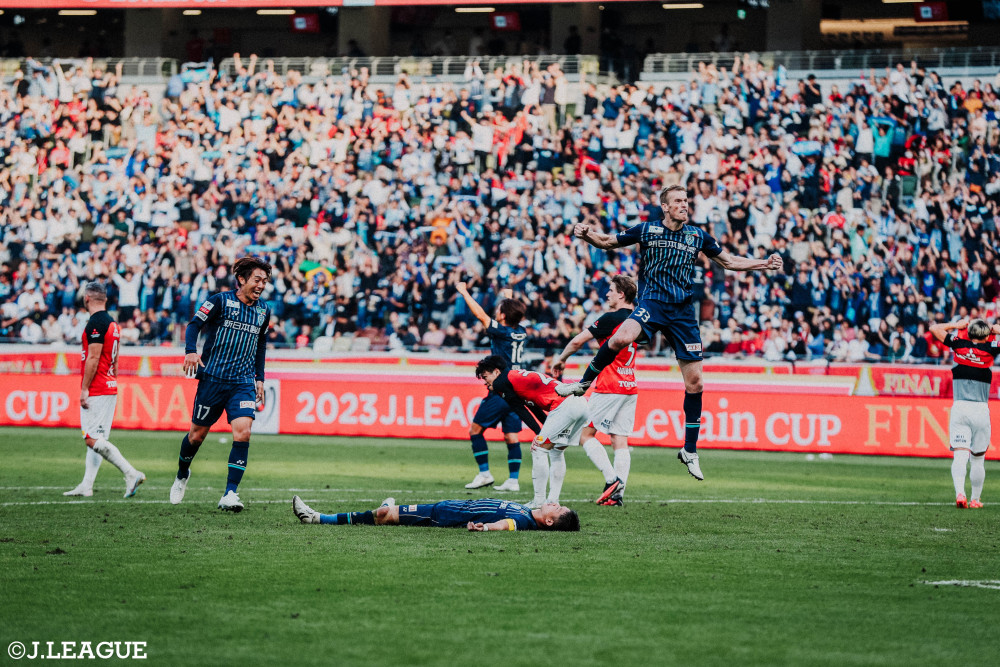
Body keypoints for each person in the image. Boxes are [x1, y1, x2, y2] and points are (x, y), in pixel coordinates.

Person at [559, 184, 783, 481]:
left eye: (686, 200)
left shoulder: (697, 236)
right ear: (664, 206)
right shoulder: (647, 230)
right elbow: (608, 242)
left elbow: (729, 261)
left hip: (682, 313)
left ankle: (689, 451)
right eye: (678, 201)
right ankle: (582, 384)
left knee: (696, 383)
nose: (684, 205)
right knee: (620, 337)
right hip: (653, 303)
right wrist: (587, 234)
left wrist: (763, 263)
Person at [170, 257, 272, 512]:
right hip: (213, 379)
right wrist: (190, 351)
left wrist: (259, 377)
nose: (261, 285)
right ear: (242, 279)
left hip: (242, 382)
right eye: (257, 280)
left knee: (243, 432)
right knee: (196, 436)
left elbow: (260, 344)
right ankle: (182, 474)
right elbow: (194, 325)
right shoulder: (219, 301)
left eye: (265, 281)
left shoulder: (264, 311)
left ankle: (230, 493)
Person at [551, 276, 637, 506]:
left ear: (621, 294)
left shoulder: (611, 318)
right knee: (620, 440)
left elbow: (577, 341)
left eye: (611, 290)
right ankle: (616, 496)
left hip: (609, 385)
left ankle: (611, 481)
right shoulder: (638, 319)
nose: (607, 294)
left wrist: (561, 359)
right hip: (629, 385)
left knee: (584, 434)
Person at [474, 355, 591, 509]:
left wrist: (539, 434)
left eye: (485, 377)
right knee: (556, 451)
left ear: (496, 372)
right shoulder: (515, 377)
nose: (485, 382)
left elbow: (520, 410)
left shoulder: (501, 382)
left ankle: (539, 501)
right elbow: (533, 407)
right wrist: (542, 431)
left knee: (538, 449)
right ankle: (552, 501)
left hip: (565, 405)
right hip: (580, 404)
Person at [64, 281, 145, 498]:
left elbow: (93, 358)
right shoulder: (113, 324)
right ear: (105, 299)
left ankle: (131, 473)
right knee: (97, 439)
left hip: (98, 387)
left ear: (86, 298)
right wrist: (112, 380)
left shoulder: (96, 323)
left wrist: (84, 389)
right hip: (108, 385)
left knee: (91, 439)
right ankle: (87, 485)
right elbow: (115, 359)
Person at [455, 282, 528, 492]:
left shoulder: (501, 332)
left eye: (499, 310)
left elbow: (481, 316)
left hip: (500, 390)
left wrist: (464, 292)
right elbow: (511, 314)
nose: (496, 312)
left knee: (475, 430)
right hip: (517, 391)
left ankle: (484, 474)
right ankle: (513, 480)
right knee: (511, 436)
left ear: (503, 316)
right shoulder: (521, 331)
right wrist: (508, 297)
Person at [929, 318, 1000, 509]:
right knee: (978, 458)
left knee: (960, 455)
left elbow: (934, 328)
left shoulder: (959, 344)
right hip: (980, 410)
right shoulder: (991, 348)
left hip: (960, 407)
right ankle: (975, 499)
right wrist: (996, 329)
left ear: (969, 333)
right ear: (987, 335)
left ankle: (960, 493)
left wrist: (956, 325)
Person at [292, 495, 579, 532]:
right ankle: (389, 508)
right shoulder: (528, 510)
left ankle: (317, 518)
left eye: (558, 508)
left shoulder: (523, 521)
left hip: (442, 516)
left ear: (549, 521)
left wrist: (486, 528)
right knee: (387, 511)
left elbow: (505, 525)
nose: (555, 503)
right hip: (447, 505)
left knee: (382, 514)